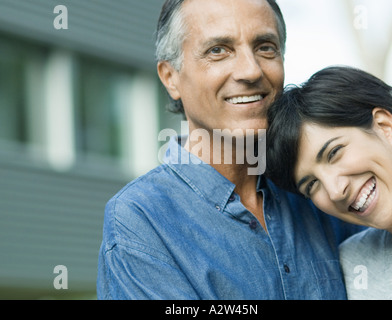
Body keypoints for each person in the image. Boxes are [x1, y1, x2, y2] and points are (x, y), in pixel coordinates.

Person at [97, 0, 361, 300]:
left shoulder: (322, 190)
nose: (250, 71)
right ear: (171, 78)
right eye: (218, 50)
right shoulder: (140, 220)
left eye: (265, 47)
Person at [266, 65, 392, 300]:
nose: (335, 190)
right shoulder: (356, 266)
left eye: (334, 153)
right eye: (312, 185)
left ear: (385, 127)